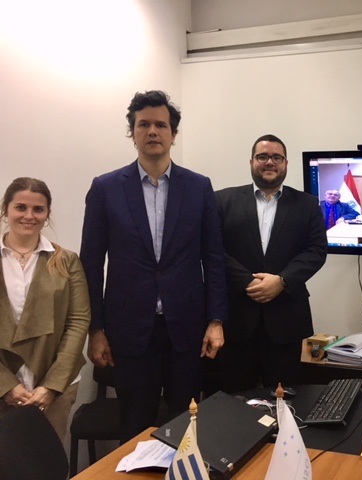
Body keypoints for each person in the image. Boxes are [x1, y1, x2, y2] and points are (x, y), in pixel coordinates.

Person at [80, 90, 227, 442]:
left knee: (186, 423)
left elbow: (215, 257)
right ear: (132, 133)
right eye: (143, 124)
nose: (152, 131)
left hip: (186, 329)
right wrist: (95, 329)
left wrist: (216, 320)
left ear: (173, 133)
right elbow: (90, 262)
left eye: (161, 124)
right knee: (135, 425)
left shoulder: (199, 187)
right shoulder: (106, 188)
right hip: (129, 330)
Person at [208, 134, 327, 394]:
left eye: (277, 157)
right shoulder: (221, 201)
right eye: (263, 157)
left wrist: (281, 281)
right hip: (236, 323)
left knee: (285, 405)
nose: (269, 162)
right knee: (234, 404)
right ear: (252, 162)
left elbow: (317, 251)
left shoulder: (307, 204)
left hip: (287, 322)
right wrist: (249, 281)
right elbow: (213, 251)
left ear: (286, 163)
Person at [0, 177, 90, 441]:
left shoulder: (66, 261)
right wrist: (6, 385)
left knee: (45, 466)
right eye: (21, 207)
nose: (29, 215)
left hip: (53, 389)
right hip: (2, 382)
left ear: (47, 214)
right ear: (6, 209)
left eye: (38, 209)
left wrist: (51, 386)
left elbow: (78, 322)